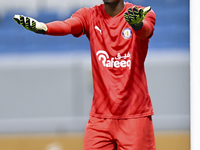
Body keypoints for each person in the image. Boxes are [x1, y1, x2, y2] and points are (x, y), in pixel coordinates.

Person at [13, 0, 156, 149]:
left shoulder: (140, 13)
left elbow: (145, 31)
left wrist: (137, 25)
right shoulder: (89, 15)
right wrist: (43, 28)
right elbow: (68, 25)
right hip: (100, 120)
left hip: (135, 116)